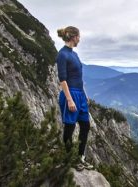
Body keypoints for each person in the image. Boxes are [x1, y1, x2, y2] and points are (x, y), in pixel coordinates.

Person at [56, 26, 93, 171]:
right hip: (70, 94)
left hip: (80, 94)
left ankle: (80, 157)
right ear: (73, 37)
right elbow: (62, 79)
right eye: (78, 36)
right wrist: (70, 99)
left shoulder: (74, 54)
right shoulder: (62, 55)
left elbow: (79, 77)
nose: (80, 39)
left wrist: (84, 94)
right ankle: (70, 159)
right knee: (70, 128)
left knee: (85, 126)